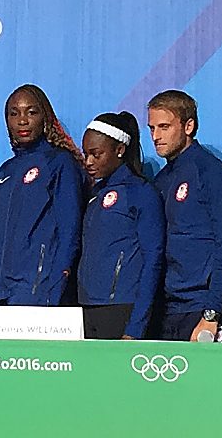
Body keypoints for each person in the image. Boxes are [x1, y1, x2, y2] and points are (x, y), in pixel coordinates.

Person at [148, 90, 222, 341]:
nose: (156, 136)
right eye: (152, 128)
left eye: (164, 127)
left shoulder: (212, 173)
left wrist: (212, 313)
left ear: (188, 126)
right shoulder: (160, 181)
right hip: (168, 309)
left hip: (203, 309)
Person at [0, 85, 84, 307]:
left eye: (31, 112)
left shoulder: (59, 163)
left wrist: (55, 287)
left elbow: (70, 232)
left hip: (37, 290)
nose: (22, 120)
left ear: (45, 117)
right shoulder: (5, 171)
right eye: (14, 113)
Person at [77, 111, 164, 340]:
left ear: (119, 150)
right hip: (87, 307)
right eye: (86, 154)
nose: (88, 162)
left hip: (122, 309)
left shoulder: (141, 192)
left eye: (96, 154)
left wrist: (136, 326)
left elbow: (153, 260)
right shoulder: (94, 195)